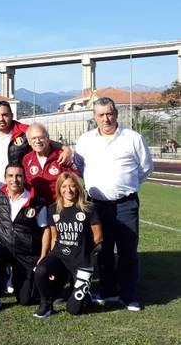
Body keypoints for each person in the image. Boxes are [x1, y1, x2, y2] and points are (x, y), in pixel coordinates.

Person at [73, 97, 153, 311]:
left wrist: (125, 186)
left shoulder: (133, 138)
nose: (106, 118)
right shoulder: (85, 140)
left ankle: (129, 295)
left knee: (128, 251)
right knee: (103, 250)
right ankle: (108, 291)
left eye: (109, 113)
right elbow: (79, 167)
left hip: (126, 205)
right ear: (94, 117)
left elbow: (145, 169)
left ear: (116, 114)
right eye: (101, 115)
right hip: (97, 205)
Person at [33, 172, 103, 318]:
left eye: (72, 186)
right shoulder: (53, 209)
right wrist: (49, 259)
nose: (68, 190)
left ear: (78, 188)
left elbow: (98, 237)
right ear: (59, 189)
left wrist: (85, 253)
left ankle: (85, 293)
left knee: (74, 310)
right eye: (64, 186)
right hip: (61, 257)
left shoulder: (88, 208)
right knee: (41, 269)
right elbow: (54, 236)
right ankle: (46, 304)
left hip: (81, 260)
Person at [0, 163, 49, 312]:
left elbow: (45, 230)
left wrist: (43, 255)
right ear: (5, 178)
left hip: (25, 251)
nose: (15, 179)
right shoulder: (0, 194)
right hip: (3, 243)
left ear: (25, 178)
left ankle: (14, 277)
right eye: (10, 176)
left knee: (26, 300)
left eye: (19, 176)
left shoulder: (36, 203)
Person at [22, 123, 78, 205]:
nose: (37, 141)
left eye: (41, 137)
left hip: (60, 206)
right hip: (37, 207)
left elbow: (75, 182)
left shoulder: (61, 157)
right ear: (29, 142)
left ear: (48, 139)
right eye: (33, 138)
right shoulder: (27, 159)